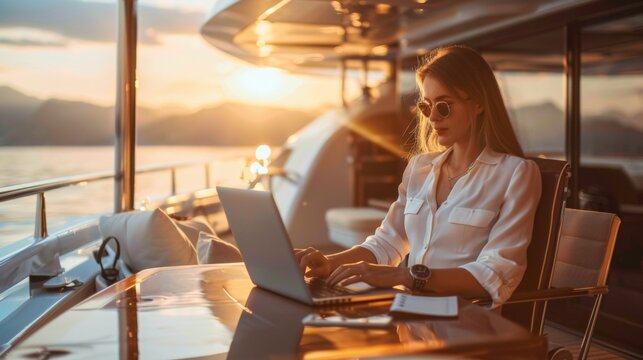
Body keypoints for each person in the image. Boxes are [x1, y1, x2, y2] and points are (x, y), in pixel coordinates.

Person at [296, 45, 542, 308]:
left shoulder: (515, 174)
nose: (433, 118)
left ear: (479, 103)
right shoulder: (419, 168)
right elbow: (387, 242)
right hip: (411, 310)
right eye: (427, 107)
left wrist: (405, 276)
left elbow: (495, 273)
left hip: (467, 320)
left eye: (444, 106)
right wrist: (329, 262)